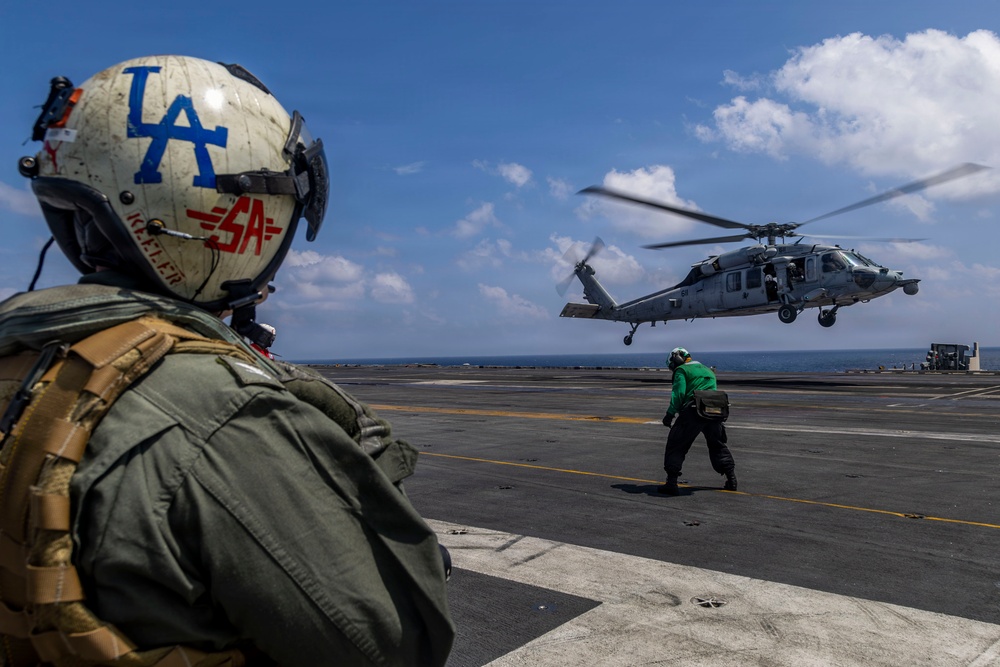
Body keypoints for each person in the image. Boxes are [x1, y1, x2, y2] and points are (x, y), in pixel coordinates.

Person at [0, 56, 453, 666]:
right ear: (242, 215)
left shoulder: (20, 358)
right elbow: (400, 644)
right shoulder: (224, 415)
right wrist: (363, 455)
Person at [659, 347, 737, 496]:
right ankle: (731, 479)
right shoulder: (708, 370)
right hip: (714, 411)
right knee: (718, 445)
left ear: (677, 358)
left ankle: (671, 483)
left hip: (693, 411)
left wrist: (669, 414)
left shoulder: (682, 370)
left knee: (677, 444)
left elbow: (679, 393)